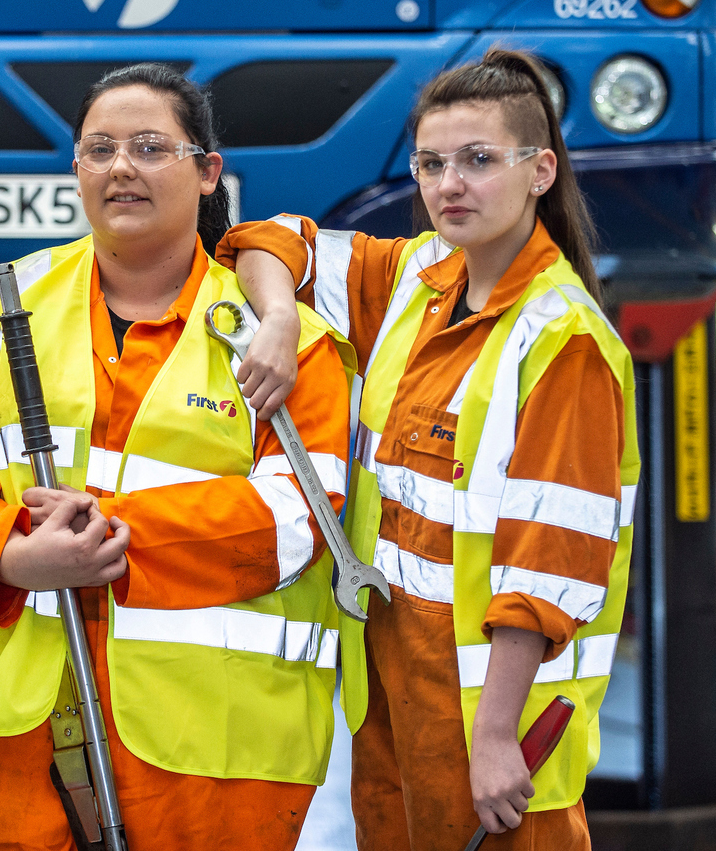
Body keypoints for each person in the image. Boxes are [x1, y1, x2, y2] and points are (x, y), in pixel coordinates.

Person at [0, 64, 356, 851]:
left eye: (151, 147)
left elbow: (296, 520)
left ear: (208, 171)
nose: (121, 167)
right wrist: (14, 556)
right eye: (99, 149)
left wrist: (100, 538)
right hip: (7, 735)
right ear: (75, 168)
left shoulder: (290, 345)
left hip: (212, 755)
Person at [219, 48, 637, 850]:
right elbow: (268, 241)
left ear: (540, 170)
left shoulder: (562, 341)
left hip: (489, 717)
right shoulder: (417, 278)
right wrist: (277, 319)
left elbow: (548, 562)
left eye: (479, 160)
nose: (450, 184)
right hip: (392, 696)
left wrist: (495, 738)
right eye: (432, 163)